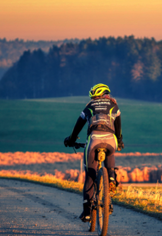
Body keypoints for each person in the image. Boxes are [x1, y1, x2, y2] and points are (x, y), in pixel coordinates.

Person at [64, 83, 124, 222]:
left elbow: (78, 126)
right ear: (106, 95)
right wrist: (120, 141)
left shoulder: (89, 106)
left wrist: (71, 139)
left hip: (94, 140)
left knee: (90, 176)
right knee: (110, 152)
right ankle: (111, 179)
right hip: (110, 140)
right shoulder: (114, 105)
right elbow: (118, 127)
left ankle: (87, 212)